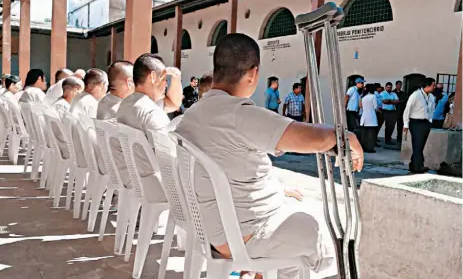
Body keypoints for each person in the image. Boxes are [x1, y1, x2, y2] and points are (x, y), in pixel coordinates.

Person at [175, 33, 364, 279]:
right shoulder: (237, 114)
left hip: (212, 227)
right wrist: (347, 137)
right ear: (253, 73)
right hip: (242, 234)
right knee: (331, 235)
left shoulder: (194, 113)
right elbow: (310, 137)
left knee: (295, 205)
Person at [116, 53, 182, 203]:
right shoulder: (151, 112)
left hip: (136, 179)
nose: (166, 84)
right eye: (165, 80)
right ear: (153, 77)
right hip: (154, 185)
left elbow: (174, 103)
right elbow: (169, 155)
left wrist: (176, 78)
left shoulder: (126, 104)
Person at [403, 77, 436, 174]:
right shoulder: (416, 95)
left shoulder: (431, 96)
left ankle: (413, 165)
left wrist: (430, 120)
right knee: (417, 145)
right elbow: (407, 110)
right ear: (427, 85)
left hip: (426, 122)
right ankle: (418, 166)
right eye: (433, 85)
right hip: (415, 122)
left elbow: (432, 110)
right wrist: (406, 124)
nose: (434, 87)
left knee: (420, 145)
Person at [359, 86, 378, 153]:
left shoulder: (363, 97)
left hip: (364, 118)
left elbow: (360, 106)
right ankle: (370, 148)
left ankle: (363, 148)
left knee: (364, 134)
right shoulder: (373, 96)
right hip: (371, 118)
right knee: (371, 135)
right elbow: (375, 107)